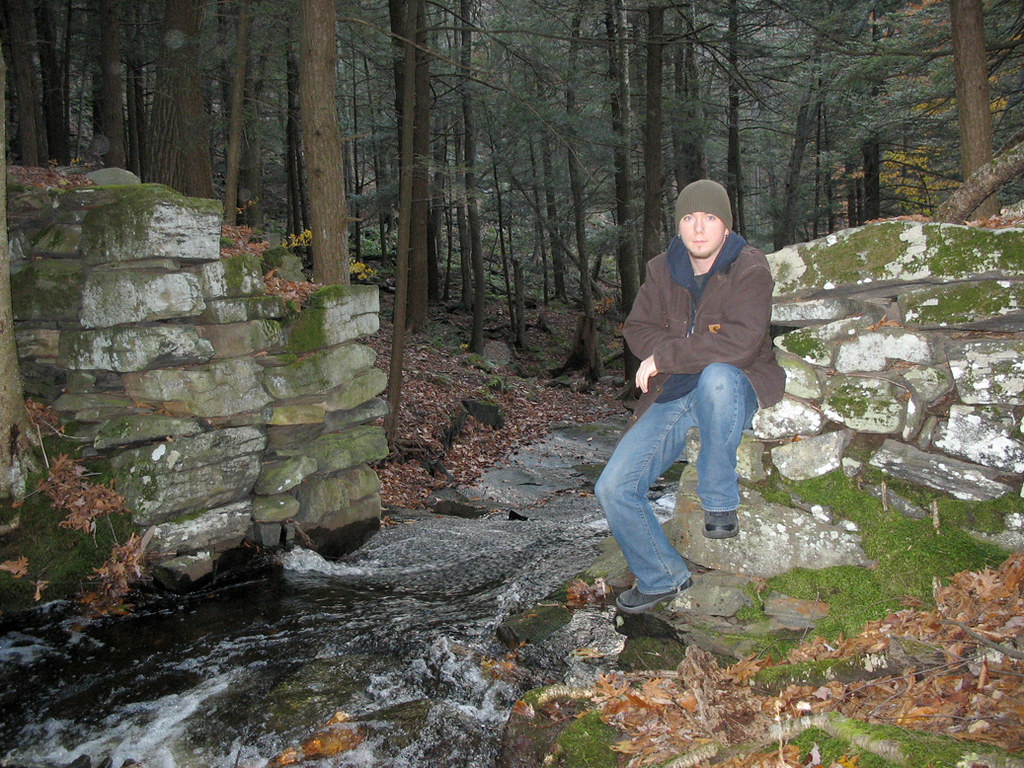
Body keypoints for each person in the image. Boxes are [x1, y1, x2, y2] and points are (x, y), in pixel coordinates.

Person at [595, 179, 786, 614]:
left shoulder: (749, 268)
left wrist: (668, 352)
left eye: (710, 218)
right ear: (678, 225)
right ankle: (662, 576)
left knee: (717, 374)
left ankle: (718, 499)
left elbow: (739, 345)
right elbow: (636, 328)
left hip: (737, 383)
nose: (698, 229)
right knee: (612, 488)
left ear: (726, 226)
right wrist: (679, 353)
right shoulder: (662, 268)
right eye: (688, 218)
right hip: (675, 390)